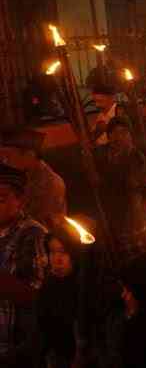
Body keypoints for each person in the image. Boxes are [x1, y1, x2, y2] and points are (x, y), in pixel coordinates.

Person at [0, 164, 47, 367]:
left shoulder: (32, 233)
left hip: (16, 345)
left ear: (20, 201)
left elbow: (36, 295)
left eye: (1, 199)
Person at [93, 117, 146, 260]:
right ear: (109, 136)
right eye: (115, 133)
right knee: (119, 250)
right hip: (111, 209)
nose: (120, 137)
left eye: (124, 133)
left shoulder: (135, 156)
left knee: (138, 250)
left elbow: (135, 183)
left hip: (132, 210)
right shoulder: (102, 153)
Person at [33, 224, 89, 368]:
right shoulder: (48, 285)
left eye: (63, 252)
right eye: (52, 252)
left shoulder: (84, 284)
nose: (56, 259)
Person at [0, 128, 66, 228]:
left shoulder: (50, 184)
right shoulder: (15, 175)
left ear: (29, 155)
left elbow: (41, 224)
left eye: (8, 156)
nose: (4, 161)